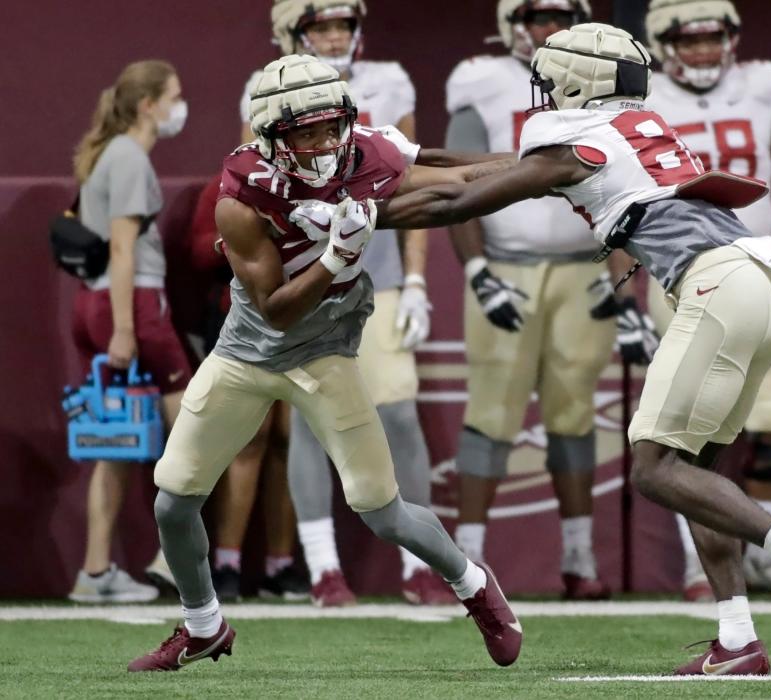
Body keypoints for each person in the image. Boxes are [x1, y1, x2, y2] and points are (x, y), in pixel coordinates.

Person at [356, 23, 771, 675]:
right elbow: (502, 167)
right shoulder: (629, 126)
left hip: (716, 282)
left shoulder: (578, 142)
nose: (542, 95)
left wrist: (350, 211)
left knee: (653, 469)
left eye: (551, 82)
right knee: (691, 472)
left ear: (578, 81)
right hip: (761, 277)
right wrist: (408, 151)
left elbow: (459, 198)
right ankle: (737, 639)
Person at [127, 55, 522, 672]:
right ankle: (203, 625)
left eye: (331, 126)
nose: (322, 143)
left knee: (381, 509)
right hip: (250, 350)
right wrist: (338, 256)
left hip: (325, 349)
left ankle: (476, 587)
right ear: (271, 137)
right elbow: (277, 309)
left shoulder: (366, 149)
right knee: (172, 501)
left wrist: (545, 166)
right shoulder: (241, 193)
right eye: (303, 132)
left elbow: (454, 173)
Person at [442, 0, 635, 600]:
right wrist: (476, 270)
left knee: (574, 416)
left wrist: (623, 281)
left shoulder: (604, 80)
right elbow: (456, 183)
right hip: (508, 267)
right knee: (491, 415)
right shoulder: (483, 79)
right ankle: (467, 563)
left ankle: (579, 559)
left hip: (585, 269)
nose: (548, 31)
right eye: (536, 19)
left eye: (559, 19)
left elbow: (632, 185)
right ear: (511, 25)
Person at [265, 0, 451, 606]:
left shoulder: (388, 82)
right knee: (310, 426)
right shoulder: (267, 91)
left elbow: (412, 184)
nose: (335, 35)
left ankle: (419, 566)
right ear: (294, 32)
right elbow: (254, 192)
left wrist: (418, 279)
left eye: (343, 24)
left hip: (379, 274)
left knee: (398, 414)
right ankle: (322, 569)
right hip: (307, 279)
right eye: (321, 25)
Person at [643, 0, 771, 601]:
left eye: (712, 39)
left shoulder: (763, 85)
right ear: (663, 44)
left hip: (760, 266)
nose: (702, 52)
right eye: (689, 41)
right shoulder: (643, 99)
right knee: (682, 429)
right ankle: (702, 563)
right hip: (680, 273)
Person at [68, 60, 191, 604]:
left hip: (101, 302)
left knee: (115, 444)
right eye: (173, 96)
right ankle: (176, 555)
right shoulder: (129, 159)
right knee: (197, 428)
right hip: (131, 304)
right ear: (148, 104)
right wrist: (124, 327)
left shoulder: (111, 156)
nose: (178, 107)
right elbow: (121, 248)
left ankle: (95, 574)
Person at [189, 177, 308, 602]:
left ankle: (281, 563)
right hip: (242, 321)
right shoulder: (225, 187)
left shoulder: (311, 184)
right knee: (248, 440)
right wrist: (241, 238)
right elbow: (198, 251)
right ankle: (227, 561)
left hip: (299, 320)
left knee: (288, 440)